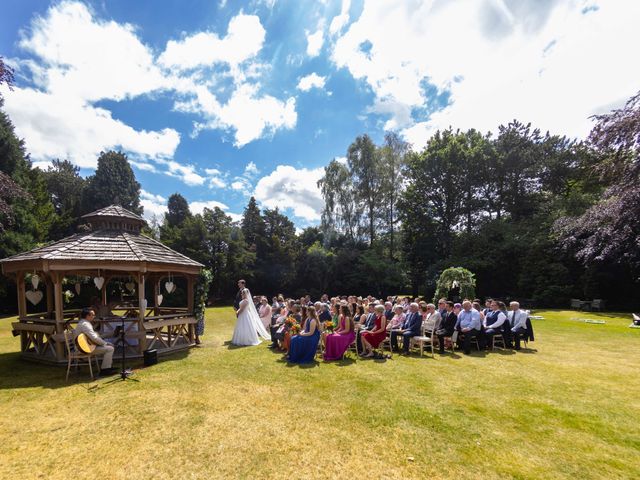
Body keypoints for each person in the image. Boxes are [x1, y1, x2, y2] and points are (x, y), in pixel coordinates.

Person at [73, 307, 115, 376]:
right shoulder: (85, 324)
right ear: (87, 316)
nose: (94, 316)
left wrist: (105, 337)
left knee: (107, 347)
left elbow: (92, 337)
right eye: (93, 315)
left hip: (83, 347)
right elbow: (94, 338)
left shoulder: (83, 322)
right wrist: (105, 343)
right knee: (110, 349)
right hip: (82, 349)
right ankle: (105, 370)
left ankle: (107, 367)